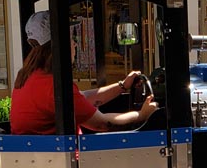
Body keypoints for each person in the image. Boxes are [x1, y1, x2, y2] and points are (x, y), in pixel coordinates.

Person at [10, 11, 157, 134]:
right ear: (58, 45)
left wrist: (122, 86)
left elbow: (80, 99)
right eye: (71, 38)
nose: (74, 43)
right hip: (66, 162)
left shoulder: (30, 76)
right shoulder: (52, 85)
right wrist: (142, 115)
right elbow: (102, 124)